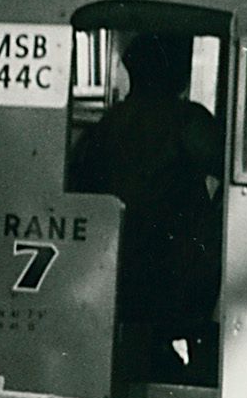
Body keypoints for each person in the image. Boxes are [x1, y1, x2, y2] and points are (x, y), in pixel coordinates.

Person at [68, 32, 223, 379]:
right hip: (175, 267)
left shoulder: (105, 126)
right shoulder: (188, 120)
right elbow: (227, 166)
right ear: (176, 75)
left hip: (116, 263)